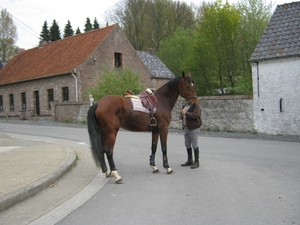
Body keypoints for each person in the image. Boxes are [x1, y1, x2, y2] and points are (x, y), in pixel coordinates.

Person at [180, 97, 202, 169]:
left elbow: (195, 115)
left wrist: (186, 113)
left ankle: (196, 161)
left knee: (194, 144)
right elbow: (185, 115)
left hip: (194, 127)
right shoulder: (186, 106)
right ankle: (190, 160)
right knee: (187, 143)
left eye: (189, 99)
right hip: (186, 127)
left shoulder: (196, 107)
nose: (188, 100)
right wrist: (181, 116)